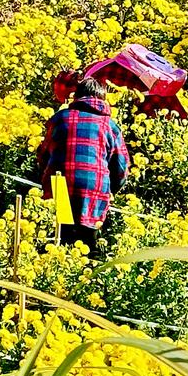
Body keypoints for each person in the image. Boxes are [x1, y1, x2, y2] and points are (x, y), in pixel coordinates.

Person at [37, 77, 130, 252]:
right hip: (94, 189)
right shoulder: (110, 126)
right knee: (87, 243)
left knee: (59, 239)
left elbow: (43, 155)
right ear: (103, 99)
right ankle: (87, 271)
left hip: (60, 185)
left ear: (76, 97)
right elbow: (121, 167)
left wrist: (44, 176)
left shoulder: (60, 118)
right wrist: (112, 190)